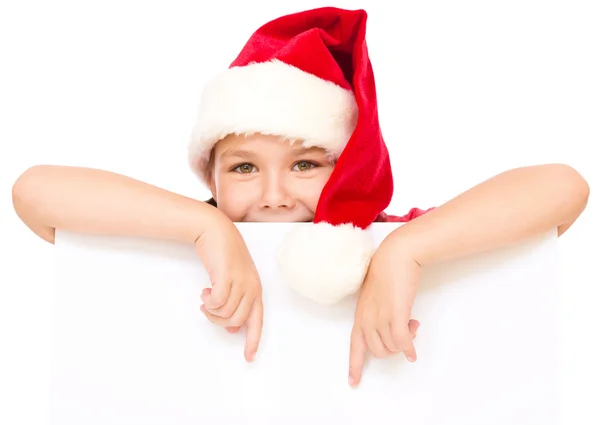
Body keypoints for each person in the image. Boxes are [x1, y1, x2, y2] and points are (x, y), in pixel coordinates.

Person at [11, 7, 589, 388]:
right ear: (209, 179)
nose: (273, 195)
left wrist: (403, 252)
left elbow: (564, 188)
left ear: (351, 166)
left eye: (306, 164)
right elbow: (34, 192)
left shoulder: (385, 238)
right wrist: (207, 228)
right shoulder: (182, 234)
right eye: (242, 167)